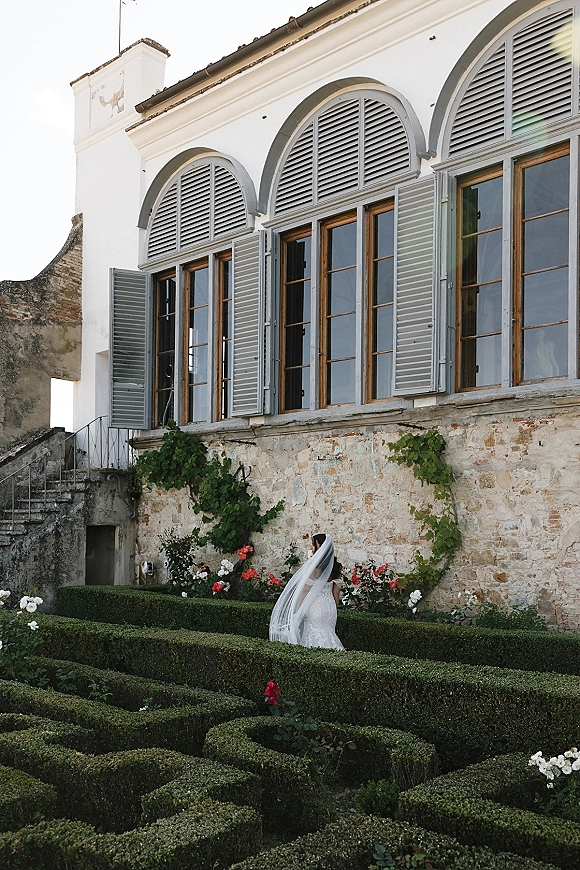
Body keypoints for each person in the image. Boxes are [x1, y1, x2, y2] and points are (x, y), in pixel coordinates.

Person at [269, 533, 345, 650]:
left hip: (317, 606)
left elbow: (305, 590)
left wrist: (297, 610)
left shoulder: (315, 569)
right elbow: (336, 592)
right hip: (330, 607)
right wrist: (334, 607)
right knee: (328, 634)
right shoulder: (335, 567)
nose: (311, 547)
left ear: (319, 547)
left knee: (314, 633)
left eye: (313, 545)